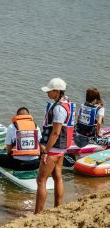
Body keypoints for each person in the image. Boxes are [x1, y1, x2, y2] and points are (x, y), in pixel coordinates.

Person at [35, 78, 75, 214]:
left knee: (41, 181)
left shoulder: (58, 108)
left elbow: (56, 132)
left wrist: (46, 151)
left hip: (53, 148)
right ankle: (58, 208)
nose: (47, 94)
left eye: (49, 91)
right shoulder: (66, 103)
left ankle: (37, 214)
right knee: (58, 176)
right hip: (61, 148)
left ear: (57, 92)